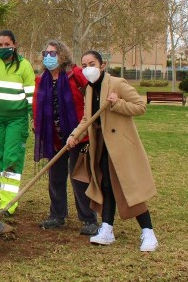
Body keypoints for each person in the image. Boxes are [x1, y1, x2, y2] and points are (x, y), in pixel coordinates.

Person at [66, 50, 159, 252]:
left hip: (120, 147)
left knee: (128, 188)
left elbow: (140, 106)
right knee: (105, 185)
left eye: (92, 63)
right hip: (101, 145)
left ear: (102, 65)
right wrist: (75, 135)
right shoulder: (89, 89)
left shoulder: (117, 83)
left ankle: (148, 232)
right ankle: (107, 229)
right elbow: (87, 118)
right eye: (84, 65)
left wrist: (117, 103)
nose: (88, 68)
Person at [33, 40, 98, 235]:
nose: (48, 57)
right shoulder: (41, 79)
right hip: (53, 137)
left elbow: (95, 94)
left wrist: (82, 130)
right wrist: (37, 125)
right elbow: (37, 104)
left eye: (53, 53)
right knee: (56, 178)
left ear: (62, 55)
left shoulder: (76, 75)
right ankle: (57, 215)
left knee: (79, 178)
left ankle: (88, 219)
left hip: (78, 136)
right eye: (46, 53)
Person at [0, 30, 35, 216]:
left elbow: (31, 96)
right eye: (0, 45)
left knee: (12, 158)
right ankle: (4, 197)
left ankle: (9, 204)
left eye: (6, 44)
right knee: (1, 157)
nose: (3, 48)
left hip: (16, 119)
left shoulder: (24, 66)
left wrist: (33, 117)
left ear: (14, 44)